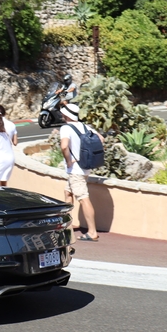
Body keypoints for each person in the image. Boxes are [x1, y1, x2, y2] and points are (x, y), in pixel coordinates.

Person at [59, 103, 104, 242]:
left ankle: (92, 232)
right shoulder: (85, 127)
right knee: (68, 192)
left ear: (66, 115)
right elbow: (101, 139)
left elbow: (64, 146)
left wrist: (68, 161)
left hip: (75, 170)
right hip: (85, 167)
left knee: (83, 198)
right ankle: (67, 227)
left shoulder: (65, 128)